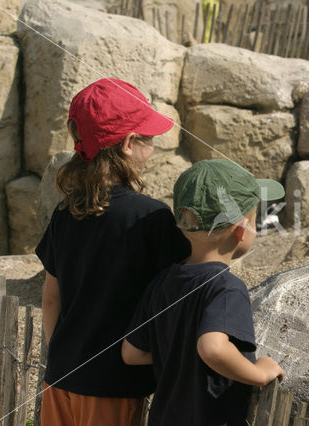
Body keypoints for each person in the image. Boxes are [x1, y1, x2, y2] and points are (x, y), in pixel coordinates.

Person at [36, 78, 191, 426]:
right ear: (127, 144)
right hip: (112, 384)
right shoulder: (151, 217)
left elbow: (50, 299)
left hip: (60, 377)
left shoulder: (66, 211)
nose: (152, 149)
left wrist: (62, 356)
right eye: (148, 139)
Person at [121, 159, 286, 425]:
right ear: (241, 230)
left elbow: (132, 353)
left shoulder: (163, 281)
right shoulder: (227, 287)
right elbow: (212, 349)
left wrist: (179, 353)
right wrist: (258, 373)